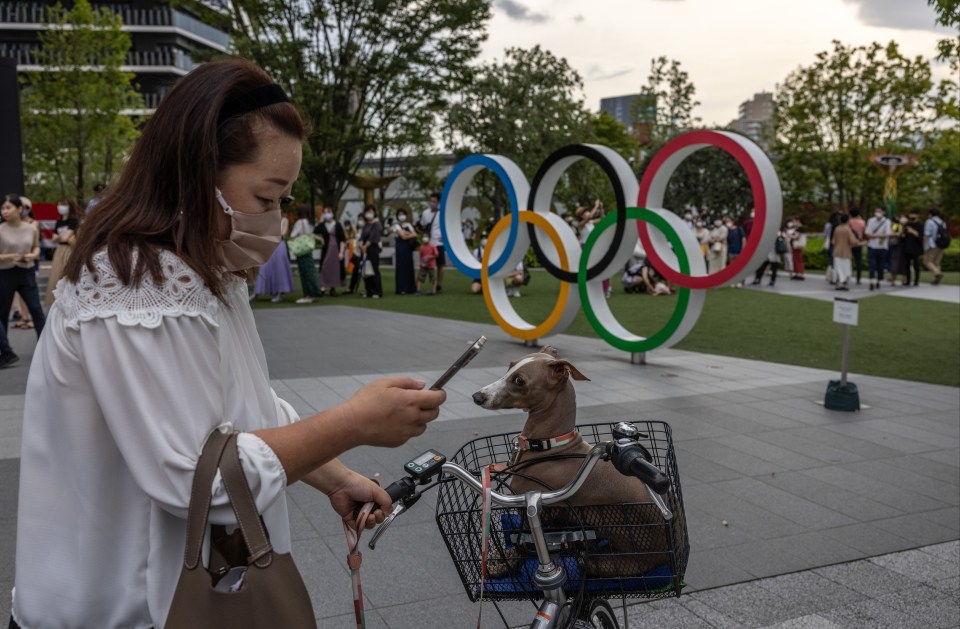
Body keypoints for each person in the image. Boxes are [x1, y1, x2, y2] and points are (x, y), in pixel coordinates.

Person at [10, 58, 445, 629]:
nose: (277, 219)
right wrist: (353, 422)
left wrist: (334, 475)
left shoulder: (199, 264)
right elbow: (197, 480)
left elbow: (239, 407)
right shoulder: (137, 280)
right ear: (196, 173)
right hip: (121, 606)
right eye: (267, 198)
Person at [0, 195, 45, 368]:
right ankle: (5, 351)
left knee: (36, 310)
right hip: (5, 273)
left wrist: (34, 255)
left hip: (26, 272)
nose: (5, 211)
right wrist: (11, 256)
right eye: (3, 208)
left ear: (20, 209)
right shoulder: (1, 229)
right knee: (3, 313)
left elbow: (36, 246)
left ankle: (45, 348)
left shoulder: (30, 228)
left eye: (9, 207)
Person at [43, 197, 82, 307]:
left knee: (68, 275)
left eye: (64, 204)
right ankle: (56, 302)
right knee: (56, 276)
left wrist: (60, 237)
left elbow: (66, 238)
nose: (60, 206)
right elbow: (54, 238)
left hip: (69, 251)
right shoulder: (59, 221)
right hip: (59, 251)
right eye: (59, 204)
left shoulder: (74, 220)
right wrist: (61, 237)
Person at [251, 212, 295, 302]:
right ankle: (256, 293)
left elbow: (283, 233)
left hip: (279, 246)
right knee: (264, 269)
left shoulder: (284, 220)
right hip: (269, 245)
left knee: (280, 269)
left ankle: (279, 294)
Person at [290, 205, 323, 303]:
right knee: (310, 271)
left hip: (301, 250)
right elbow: (310, 234)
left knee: (304, 272)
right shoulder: (310, 222)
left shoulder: (300, 222)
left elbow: (293, 236)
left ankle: (307, 295)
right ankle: (313, 292)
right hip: (308, 249)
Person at [315, 204, 345, 296]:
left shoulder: (338, 225)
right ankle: (323, 287)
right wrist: (320, 239)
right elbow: (312, 232)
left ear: (333, 213)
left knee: (335, 268)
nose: (327, 214)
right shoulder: (322, 225)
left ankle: (333, 287)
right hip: (326, 250)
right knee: (324, 267)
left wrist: (341, 252)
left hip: (336, 250)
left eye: (329, 212)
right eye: (325, 212)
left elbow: (342, 240)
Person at [418, 193, 445, 292]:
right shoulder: (425, 213)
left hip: (438, 242)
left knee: (440, 265)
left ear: (438, 202)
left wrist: (444, 238)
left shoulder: (442, 213)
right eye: (431, 201)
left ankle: (439, 284)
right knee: (427, 265)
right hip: (428, 243)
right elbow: (422, 225)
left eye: (434, 201)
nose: (432, 203)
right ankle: (429, 283)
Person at [832, 213, 865, 291]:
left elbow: (833, 241)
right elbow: (853, 241)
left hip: (837, 251)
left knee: (838, 268)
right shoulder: (847, 229)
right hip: (845, 251)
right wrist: (861, 242)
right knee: (846, 268)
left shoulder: (837, 228)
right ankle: (843, 284)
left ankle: (838, 283)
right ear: (847, 220)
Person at [359, 204, 383, 298]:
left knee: (374, 269)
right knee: (365, 270)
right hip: (364, 249)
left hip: (372, 248)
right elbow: (362, 236)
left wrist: (366, 245)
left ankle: (377, 291)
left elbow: (373, 237)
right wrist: (361, 244)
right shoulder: (366, 224)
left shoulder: (376, 224)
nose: (369, 213)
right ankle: (369, 291)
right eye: (367, 211)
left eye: (371, 211)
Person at [864, 207, 891, 290]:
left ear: (883, 212)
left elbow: (887, 234)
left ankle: (878, 281)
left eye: (879, 211)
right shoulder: (871, 220)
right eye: (876, 211)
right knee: (872, 264)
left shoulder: (887, 221)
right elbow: (867, 233)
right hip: (872, 246)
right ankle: (871, 281)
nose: (877, 213)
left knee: (880, 266)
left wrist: (874, 236)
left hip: (882, 247)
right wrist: (879, 235)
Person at [392, 208, 418, 294]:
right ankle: (402, 288)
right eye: (399, 214)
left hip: (408, 248)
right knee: (401, 267)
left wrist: (406, 233)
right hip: (400, 248)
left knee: (409, 266)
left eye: (403, 214)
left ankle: (410, 287)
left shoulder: (409, 225)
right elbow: (403, 236)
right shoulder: (396, 226)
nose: (401, 216)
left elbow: (415, 234)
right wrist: (408, 234)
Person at [922, 208, 948, 285]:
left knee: (927, 261)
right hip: (941, 244)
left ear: (930, 214)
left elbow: (926, 235)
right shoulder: (943, 222)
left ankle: (937, 273)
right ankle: (936, 279)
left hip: (932, 244)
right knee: (936, 262)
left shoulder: (929, 222)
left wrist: (924, 245)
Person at [902, 209, 925, 287]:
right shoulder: (907, 224)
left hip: (916, 248)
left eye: (913, 214)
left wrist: (913, 232)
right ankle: (908, 281)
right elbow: (903, 236)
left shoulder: (920, 225)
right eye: (911, 214)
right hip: (907, 247)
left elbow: (921, 237)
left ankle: (916, 281)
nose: (911, 216)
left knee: (916, 265)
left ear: (917, 215)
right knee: (906, 265)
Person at [848, 207, 866, 285]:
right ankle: (858, 278)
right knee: (858, 261)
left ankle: (847, 276)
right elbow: (864, 232)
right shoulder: (862, 222)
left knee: (848, 261)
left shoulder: (849, 222)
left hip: (850, 243)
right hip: (859, 242)